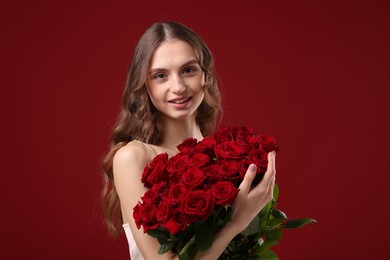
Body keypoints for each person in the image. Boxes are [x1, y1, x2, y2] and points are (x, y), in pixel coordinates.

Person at [101, 21, 276, 260]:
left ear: (206, 75)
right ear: (144, 84)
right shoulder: (133, 157)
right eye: (161, 75)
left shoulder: (229, 157)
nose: (178, 87)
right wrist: (235, 223)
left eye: (188, 70)